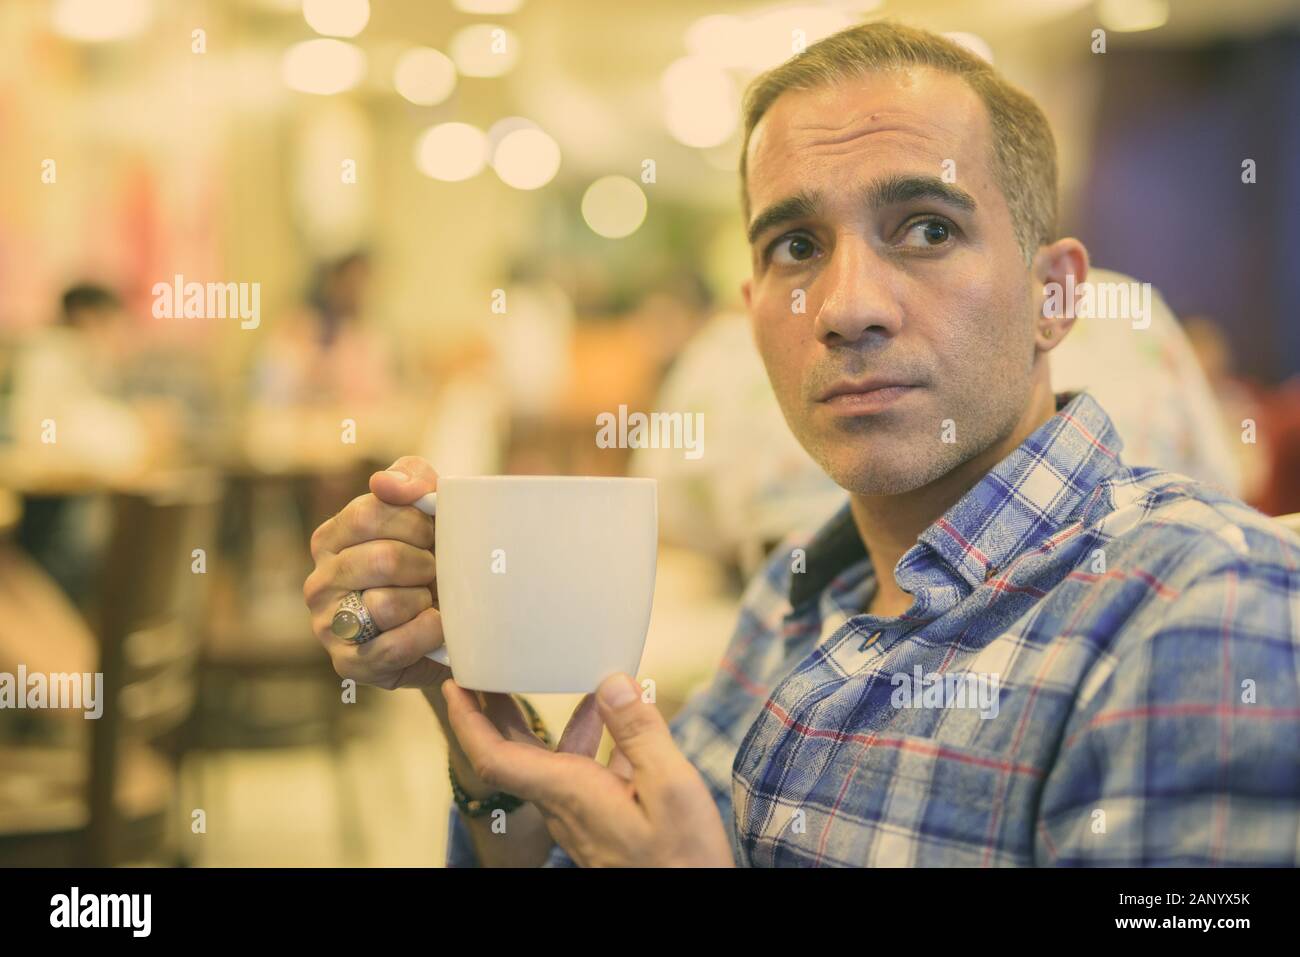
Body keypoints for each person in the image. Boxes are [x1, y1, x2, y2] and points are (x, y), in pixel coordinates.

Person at [302, 22, 1300, 867]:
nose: (846, 307)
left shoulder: (1197, 615)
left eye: (924, 228)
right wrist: (492, 761)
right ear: (749, 314)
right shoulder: (799, 599)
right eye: (795, 247)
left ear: (1055, 296)